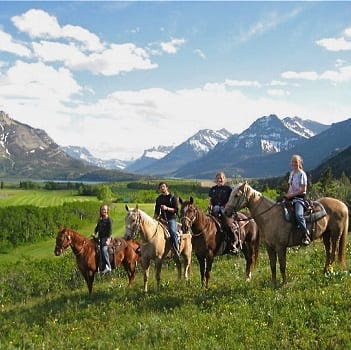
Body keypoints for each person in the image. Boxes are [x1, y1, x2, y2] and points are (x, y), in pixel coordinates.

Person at [208, 171, 240, 254]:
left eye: (221, 178)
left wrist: (224, 207)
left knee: (228, 224)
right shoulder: (213, 189)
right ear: (216, 179)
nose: (220, 179)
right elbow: (210, 200)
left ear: (224, 179)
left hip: (224, 210)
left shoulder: (228, 189)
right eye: (218, 178)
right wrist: (210, 206)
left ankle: (234, 241)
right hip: (214, 210)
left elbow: (231, 200)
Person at [284, 154, 311, 245]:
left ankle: (306, 234)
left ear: (299, 163)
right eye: (293, 162)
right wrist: (287, 195)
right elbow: (290, 187)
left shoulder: (302, 174)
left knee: (299, 215)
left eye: (296, 162)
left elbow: (303, 190)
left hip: (299, 198)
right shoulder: (292, 173)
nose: (294, 163)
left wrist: (291, 195)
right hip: (291, 197)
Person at [154, 182, 180, 257]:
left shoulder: (172, 197)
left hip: (171, 219)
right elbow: (156, 211)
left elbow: (176, 210)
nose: (162, 188)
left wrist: (166, 208)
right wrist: (153, 220)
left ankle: (176, 249)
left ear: (167, 187)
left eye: (163, 186)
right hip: (162, 219)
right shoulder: (158, 199)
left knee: (172, 231)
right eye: (161, 187)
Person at [92, 204, 113, 273]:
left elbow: (110, 230)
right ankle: (97, 266)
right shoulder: (100, 220)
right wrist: (94, 233)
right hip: (100, 238)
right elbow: (97, 228)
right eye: (102, 209)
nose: (103, 211)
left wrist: (108, 239)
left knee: (104, 250)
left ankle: (108, 266)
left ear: (107, 211)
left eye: (104, 209)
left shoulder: (109, 220)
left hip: (106, 238)